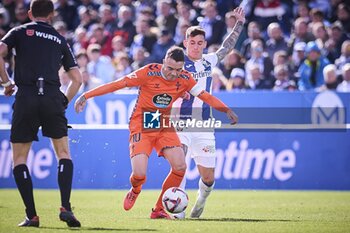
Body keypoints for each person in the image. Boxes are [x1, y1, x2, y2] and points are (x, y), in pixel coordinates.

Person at [74, 46, 238, 219]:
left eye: (178, 69)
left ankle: (159, 208)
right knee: (139, 174)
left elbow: (205, 96)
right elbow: (117, 84)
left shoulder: (185, 78)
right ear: (163, 63)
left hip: (163, 124)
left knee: (180, 166)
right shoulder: (148, 72)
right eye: (170, 68)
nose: (174, 73)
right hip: (142, 124)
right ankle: (135, 189)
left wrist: (226, 110)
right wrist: (86, 95)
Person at [0, 0, 82, 228]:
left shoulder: (19, 31)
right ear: (52, 14)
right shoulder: (59, 39)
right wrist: (62, 102)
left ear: (29, 13)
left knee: (19, 159)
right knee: (64, 153)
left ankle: (32, 215)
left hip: (25, 96)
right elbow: (77, 80)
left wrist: (6, 82)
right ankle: (66, 206)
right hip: (52, 96)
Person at [171, 6, 245, 219]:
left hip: (203, 125)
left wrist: (239, 23)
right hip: (180, 123)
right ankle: (179, 210)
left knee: (209, 178)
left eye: (200, 43)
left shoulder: (209, 61)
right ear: (185, 43)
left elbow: (227, 46)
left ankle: (200, 201)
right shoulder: (176, 63)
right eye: (192, 42)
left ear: (204, 44)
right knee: (180, 165)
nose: (196, 46)